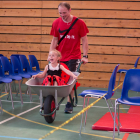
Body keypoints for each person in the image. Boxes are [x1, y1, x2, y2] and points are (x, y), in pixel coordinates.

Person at [49, 2, 89, 113]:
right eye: (60, 13)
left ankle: (69, 103)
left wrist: (85, 56)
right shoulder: (56, 22)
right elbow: (55, 40)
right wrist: (51, 55)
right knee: (54, 78)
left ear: (70, 10)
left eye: (64, 13)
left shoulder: (79, 23)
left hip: (74, 56)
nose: (62, 15)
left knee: (71, 79)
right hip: (60, 56)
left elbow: (85, 39)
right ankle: (52, 101)